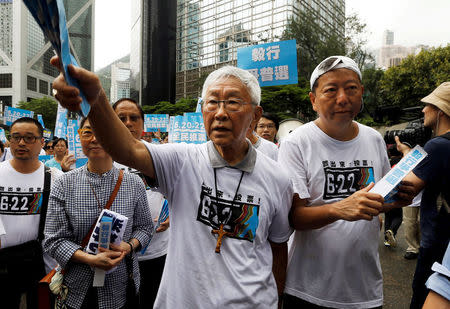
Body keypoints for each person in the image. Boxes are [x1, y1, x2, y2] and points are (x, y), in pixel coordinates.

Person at [51, 58, 293, 308]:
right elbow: (128, 150)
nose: (220, 113)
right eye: (212, 102)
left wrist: (278, 297)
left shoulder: (279, 179)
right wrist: (95, 98)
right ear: (203, 112)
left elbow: (277, 246)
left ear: (255, 114)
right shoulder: (181, 161)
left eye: (232, 102)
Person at [278, 56, 413, 308]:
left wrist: (395, 201)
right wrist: (339, 209)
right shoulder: (296, 143)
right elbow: (293, 218)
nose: (343, 98)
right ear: (313, 100)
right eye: (331, 90)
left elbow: (375, 201)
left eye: (351, 89)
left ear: (361, 93)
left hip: (365, 287)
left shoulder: (373, 139)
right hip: (309, 289)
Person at [43, 117, 153, 309]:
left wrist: (128, 246)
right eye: (87, 132)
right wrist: (89, 259)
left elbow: (144, 228)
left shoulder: (134, 183)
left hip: (122, 284)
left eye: (103, 131)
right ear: (79, 137)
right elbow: (53, 240)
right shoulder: (63, 183)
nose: (95, 138)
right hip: (77, 288)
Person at [395, 81, 450, 309]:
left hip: (438, 242)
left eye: (428, 105)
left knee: (424, 296)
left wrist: (406, 155)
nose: (423, 110)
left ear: (440, 111)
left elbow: (403, 189)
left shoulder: (438, 146)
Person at [111, 98, 170, 308]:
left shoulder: (162, 157)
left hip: (157, 252)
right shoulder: (103, 157)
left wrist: (172, 215)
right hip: (116, 254)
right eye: (121, 118)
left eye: (134, 118)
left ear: (143, 124)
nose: (128, 123)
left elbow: (181, 193)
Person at [0, 117, 63, 309]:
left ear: (42, 142)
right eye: (16, 137)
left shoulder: (55, 177)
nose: (21, 143)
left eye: (29, 138)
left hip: (41, 263)